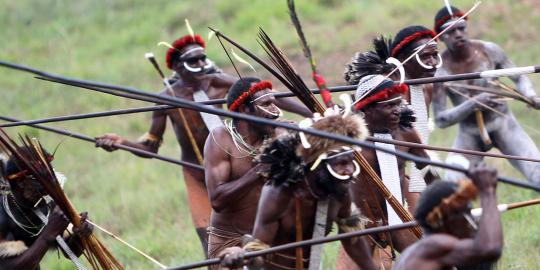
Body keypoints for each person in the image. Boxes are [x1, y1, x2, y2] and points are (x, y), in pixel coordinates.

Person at [95, 34, 312, 256]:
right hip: (197, 174)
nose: (200, 65)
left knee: (260, 225)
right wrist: (122, 142)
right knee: (209, 238)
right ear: (177, 67)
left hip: (239, 163)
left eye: (202, 58)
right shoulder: (167, 99)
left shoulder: (222, 83)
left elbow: (264, 97)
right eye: (193, 61)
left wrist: (310, 110)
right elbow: (150, 148)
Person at [219, 111, 377, 270]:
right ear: (317, 163)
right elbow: (258, 257)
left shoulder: (338, 191)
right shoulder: (280, 193)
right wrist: (241, 256)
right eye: (341, 163)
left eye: (351, 161)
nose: (350, 171)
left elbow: (351, 239)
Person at [432, 5, 540, 184]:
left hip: (503, 123)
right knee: (452, 183)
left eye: (461, 28)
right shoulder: (440, 72)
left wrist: (531, 95)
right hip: (469, 134)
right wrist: (472, 103)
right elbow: (441, 120)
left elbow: (519, 77)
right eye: (451, 31)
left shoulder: (489, 50)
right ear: (442, 37)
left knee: (537, 171)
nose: (458, 34)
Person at [337, 75, 432, 269]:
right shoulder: (347, 141)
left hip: (398, 217)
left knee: (431, 265)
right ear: (368, 109)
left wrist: (447, 203)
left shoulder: (406, 132)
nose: (398, 111)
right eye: (389, 106)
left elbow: (425, 167)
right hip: (360, 225)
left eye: (398, 104)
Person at [204, 77, 296, 267]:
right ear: (245, 109)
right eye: (266, 104)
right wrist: (260, 170)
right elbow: (217, 200)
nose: (275, 110)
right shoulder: (221, 139)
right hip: (230, 242)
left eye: (274, 103)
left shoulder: (280, 134)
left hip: (269, 240)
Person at [394, 162, 502, 270]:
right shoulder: (437, 245)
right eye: (466, 213)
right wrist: (487, 190)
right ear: (448, 218)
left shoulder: (415, 251)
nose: (471, 221)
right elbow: (489, 249)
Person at [0, 150, 93, 269]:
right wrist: (49, 233)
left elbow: (71, 252)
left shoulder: (46, 203)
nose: (48, 191)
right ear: (21, 182)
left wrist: (80, 234)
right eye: (43, 185)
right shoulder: (3, 213)